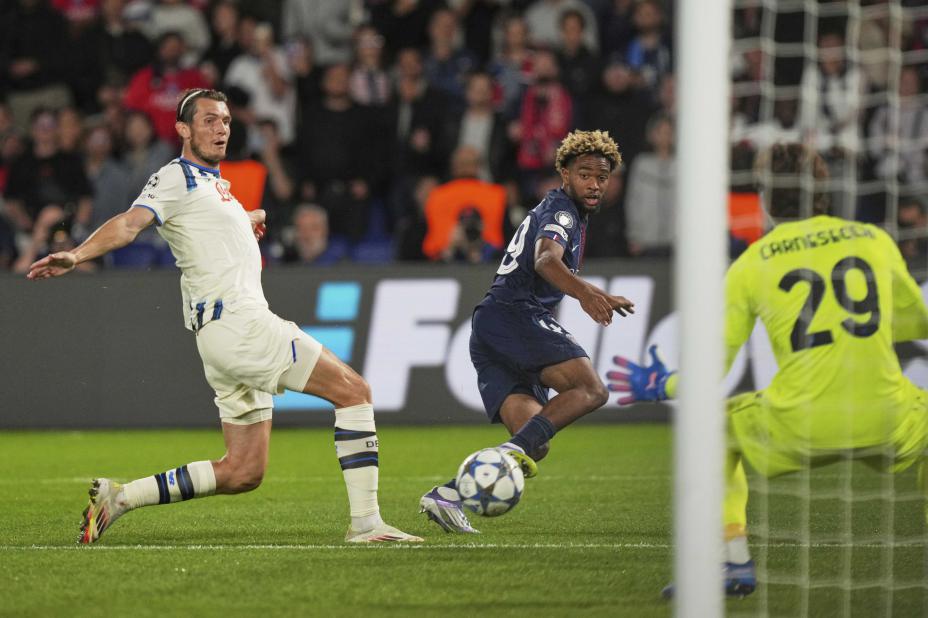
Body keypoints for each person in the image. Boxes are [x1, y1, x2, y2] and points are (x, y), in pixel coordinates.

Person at [26, 88, 421, 545]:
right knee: (354, 392)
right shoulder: (175, 176)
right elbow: (131, 222)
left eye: (227, 121)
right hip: (240, 324)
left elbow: (206, 229)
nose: (221, 129)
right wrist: (77, 255)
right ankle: (367, 523)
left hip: (221, 337)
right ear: (183, 129)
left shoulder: (215, 187)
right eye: (209, 120)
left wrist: (246, 218)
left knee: (242, 471)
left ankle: (121, 497)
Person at [608, 143, 928, 598]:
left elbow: (711, 373)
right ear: (823, 188)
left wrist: (664, 384)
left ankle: (732, 561)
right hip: (889, 417)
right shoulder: (873, 240)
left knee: (712, 432)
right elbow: (917, 324)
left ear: (764, 196)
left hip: (801, 423)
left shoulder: (752, 263)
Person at [419, 130, 635, 533]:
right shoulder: (562, 212)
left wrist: (592, 293)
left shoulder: (563, 210)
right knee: (590, 390)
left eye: (602, 177)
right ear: (565, 174)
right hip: (515, 315)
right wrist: (587, 294)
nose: (594, 184)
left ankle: (448, 494)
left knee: (536, 441)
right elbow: (545, 260)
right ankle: (496, 462)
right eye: (585, 174)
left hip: (492, 326)